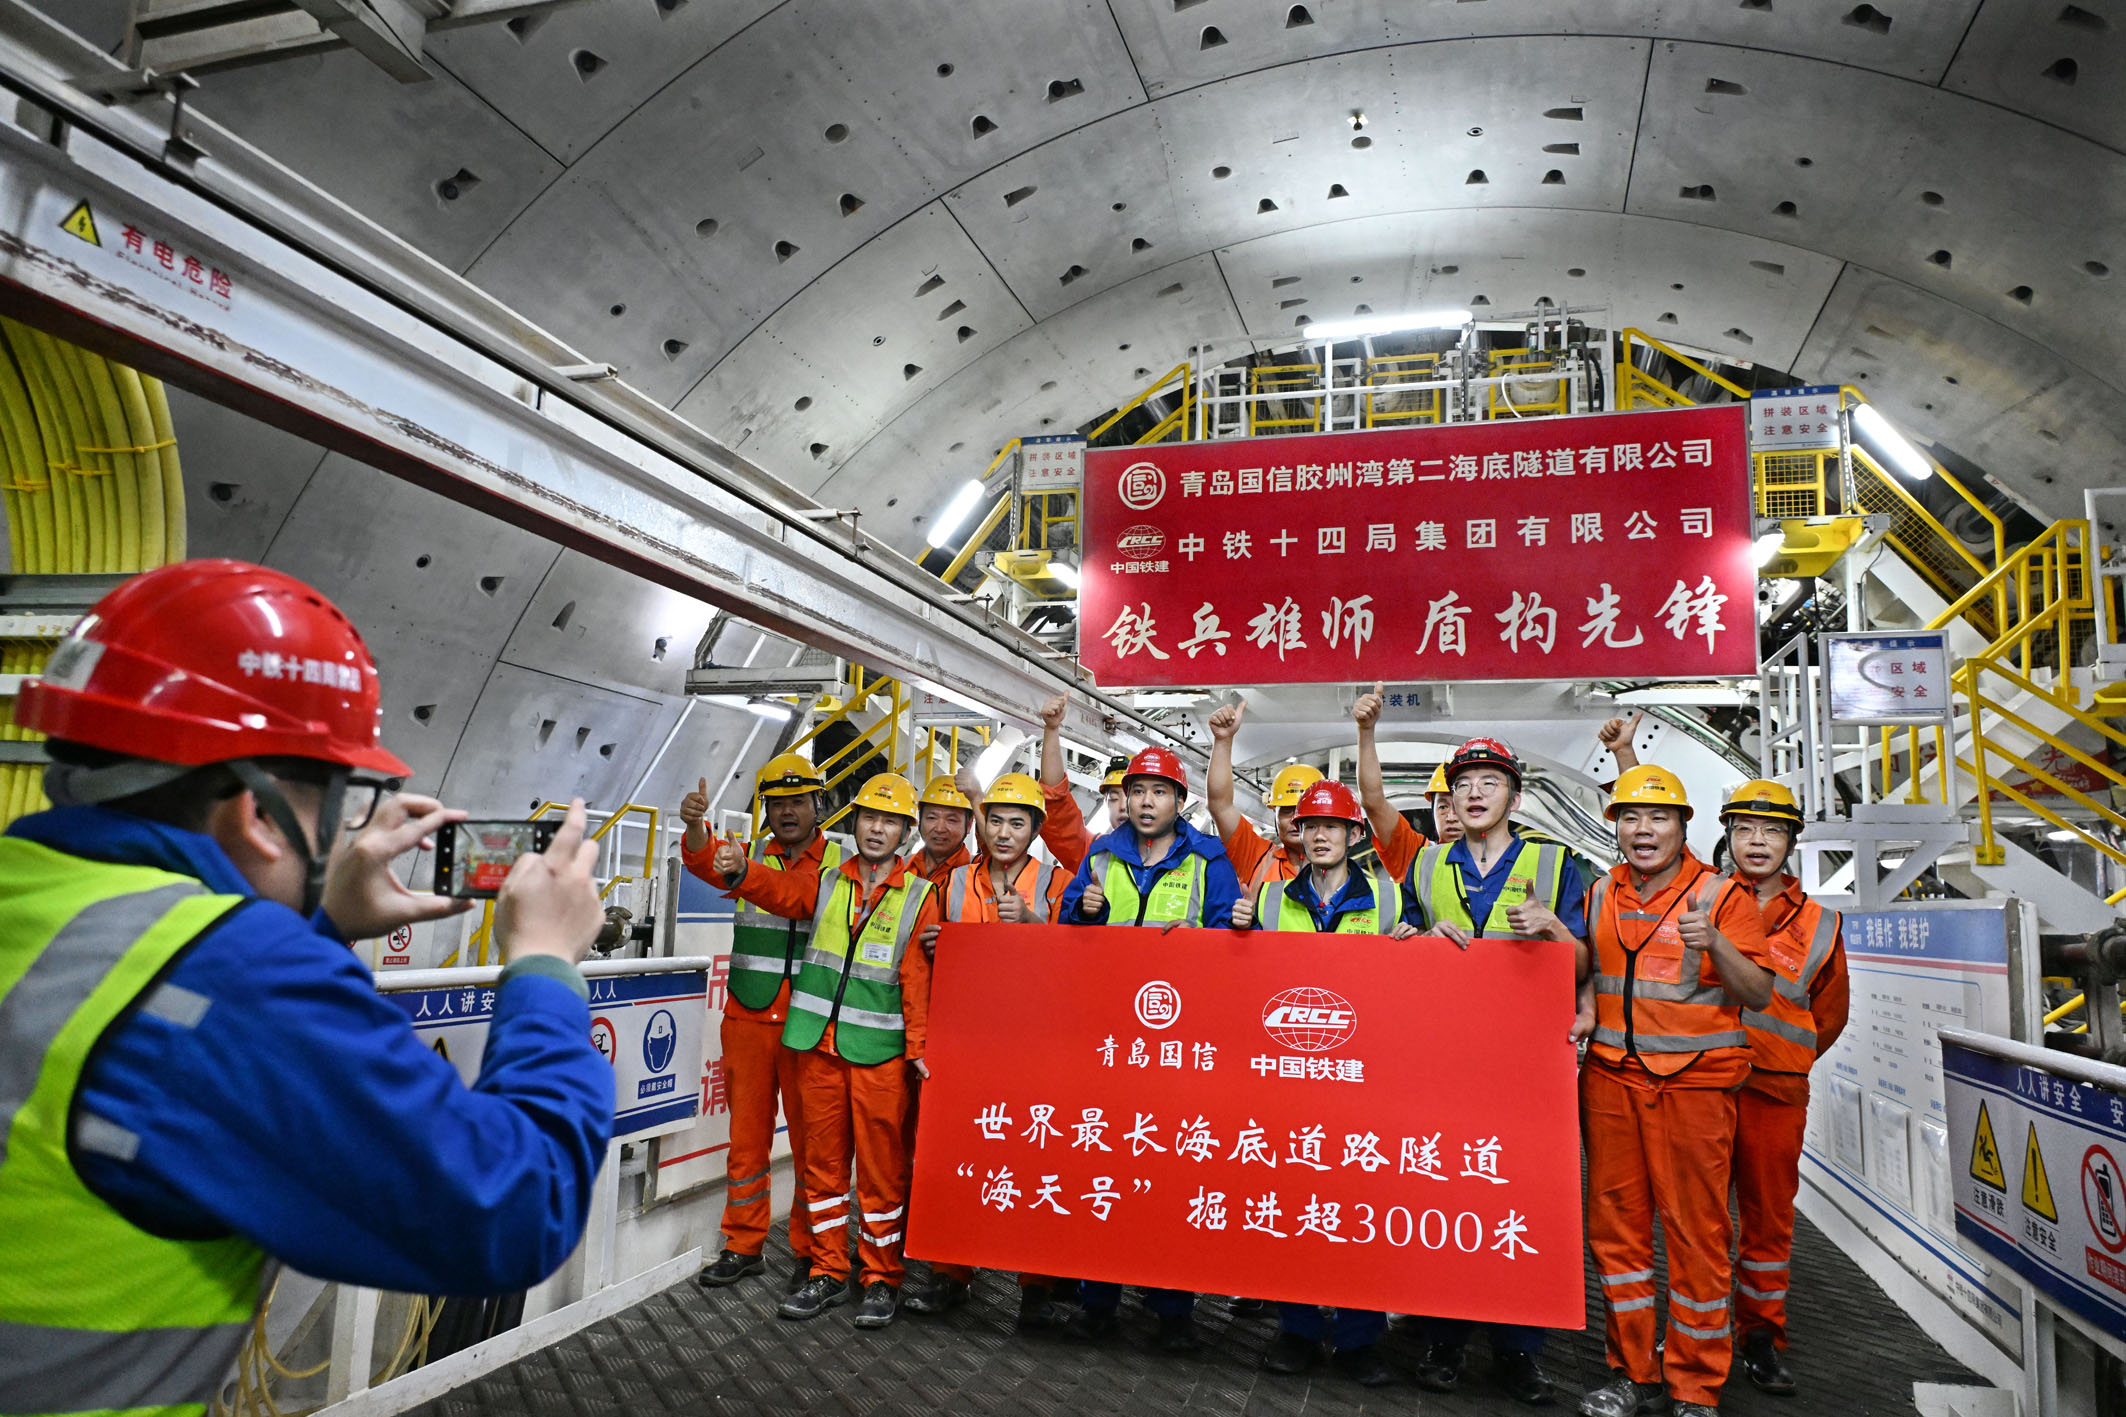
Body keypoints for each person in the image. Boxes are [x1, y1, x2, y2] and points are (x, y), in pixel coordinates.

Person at [0, 560, 612, 1415]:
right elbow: (517, 1206)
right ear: (257, 815)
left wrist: (318, 920)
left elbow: (162, 1045)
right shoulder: (237, 971)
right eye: (336, 801)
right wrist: (544, 964)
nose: (341, 831)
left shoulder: (37, 896)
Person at [1601, 749, 1847, 1398]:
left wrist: (1785, 1058)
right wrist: (1626, 757)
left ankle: (1759, 1335)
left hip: (1768, 1089)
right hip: (1695, 1083)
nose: (1757, 842)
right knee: (1697, 1223)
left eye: (1772, 831)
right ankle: (1687, 1344)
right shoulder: (1702, 893)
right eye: (1745, 829)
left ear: (1791, 842)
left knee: (1765, 1220)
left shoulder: (1817, 924)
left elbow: (1829, 1015)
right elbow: (1650, 829)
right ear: (1725, 835)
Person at [1577, 766, 1775, 1417]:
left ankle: (1695, 1384)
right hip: (1611, 1081)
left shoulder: (1722, 896)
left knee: (1697, 1235)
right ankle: (1633, 1373)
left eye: (1658, 817)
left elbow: (1758, 992)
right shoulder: (1601, 892)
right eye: (1630, 817)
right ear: (1616, 826)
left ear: (1683, 826)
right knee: (1616, 1234)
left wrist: (1715, 943)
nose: (1643, 829)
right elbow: (1590, 973)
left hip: (1694, 1088)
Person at [706, 772, 936, 1330]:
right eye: (869, 818)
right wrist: (741, 870)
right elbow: (782, 893)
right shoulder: (830, 881)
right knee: (823, 1168)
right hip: (818, 1047)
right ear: (853, 824)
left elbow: (915, 981)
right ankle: (827, 1270)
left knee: (881, 1175)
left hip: (879, 1055)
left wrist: (917, 1050)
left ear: (905, 833)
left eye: (889, 822)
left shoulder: (920, 896)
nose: (877, 829)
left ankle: (880, 1279)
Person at [1402, 737, 1586, 1406]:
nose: (1475, 793)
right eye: (1464, 783)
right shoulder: (1427, 866)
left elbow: (1589, 964)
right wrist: (1419, 941)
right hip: (1444, 1060)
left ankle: (1519, 1352)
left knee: (1523, 1202)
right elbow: (1398, 946)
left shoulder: (1556, 864)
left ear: (1516, 794)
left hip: (1529, 1066)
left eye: (1490, 781)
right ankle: (1444, 1339)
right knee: (1446, 1197)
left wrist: (1553, 929)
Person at [1231, 779, 1418, 1388]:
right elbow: (1240, 982)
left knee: (1360, 1210)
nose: (1318, 835)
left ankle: (1360, 1338)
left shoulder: (1389, 900)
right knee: (1293, 1206)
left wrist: (1415, 944)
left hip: (1362, 1083)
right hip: (1287, 1081)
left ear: (1354, 834)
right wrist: (1228, 931)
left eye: (1332, 826)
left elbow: (1413, 988)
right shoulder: (1268, 899)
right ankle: (1298, 1329)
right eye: (1310, 825)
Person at [1058, 745, 1241, 1349]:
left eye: (1159, 792)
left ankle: (1172, 1310)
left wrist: (1206, 936)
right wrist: (1083, 912)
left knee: (1172, 1177)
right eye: (1137, 790)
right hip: (1108, 1045)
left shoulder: (1209, 859)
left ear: (1179, 802)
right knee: (1104, 1171)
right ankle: (1097, 1302)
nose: (1145, 801)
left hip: (1179, 1051)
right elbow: (1065, 937)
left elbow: (1237, 942)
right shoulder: (1101, 855)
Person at [901, 771, 1073, 1327]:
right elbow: (919, 963)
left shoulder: (1057, 883)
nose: (1003, 833)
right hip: (963, 1043)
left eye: (1017, 823)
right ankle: (949, 1272)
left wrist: (1033, 923)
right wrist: (934, 946)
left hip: (1033, 1046)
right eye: (995, 821)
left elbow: (1079, 962)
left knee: (1037, 1164)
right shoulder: (951, 884)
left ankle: (1037, 1286)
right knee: (956, 1159)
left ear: (1035, 830)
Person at [680, 753, 838, 1292]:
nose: (787, 811)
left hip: (807, 1023)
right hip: (747, 1017)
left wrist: (744, 871)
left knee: (813, 1147)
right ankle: (742, 1245)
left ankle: (812, 1252)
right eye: (777, 802)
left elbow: (797, 897)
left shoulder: (837, 864)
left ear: (818, 804)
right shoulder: (746, 852)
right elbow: (706, 863)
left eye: (798, 801)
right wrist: (696, 828)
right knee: (745, 1140)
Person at [1032, 694, 1099, 872]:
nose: (1122, 806)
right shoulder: (1099, 855)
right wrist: (1052, 729)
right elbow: (1055, 803)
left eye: (1158, 792)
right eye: (1114, 797)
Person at [912, 775, 976, 883]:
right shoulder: (902, 868)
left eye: (951, 820)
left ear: (969, 825)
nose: (939, 829)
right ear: (920, 819)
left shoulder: (978, 873)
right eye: (932, 818)